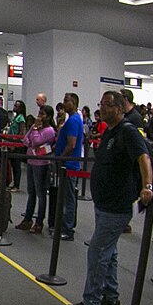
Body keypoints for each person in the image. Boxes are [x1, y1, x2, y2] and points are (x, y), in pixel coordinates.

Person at [64, 91, 153, 305]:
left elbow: (144, 158)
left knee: (97, 250)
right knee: (109, 252)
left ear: (120, 108)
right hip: (104, 204)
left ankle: (92, 301)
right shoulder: (110, 131)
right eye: (101, 104)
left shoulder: (128, 132)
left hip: (117, 206)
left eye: (107, 105)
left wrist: (148, 186)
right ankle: (111, 297)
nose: (102, 109)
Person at [53, 92, 85, 241]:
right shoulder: (72, 119)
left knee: (68, 197)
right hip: (68, 163)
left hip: (69, 164)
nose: (64, 103)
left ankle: (68, 228)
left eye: (66, 101)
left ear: (74, 103)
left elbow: (71, 144)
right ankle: (66, 225)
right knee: (66, 196)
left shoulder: (73, 120)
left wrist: (61, 158)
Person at [19, 106, 55, 232]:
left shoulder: (49, 131)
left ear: (49, 117)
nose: (39, 116)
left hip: (41, 164)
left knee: (40, 193)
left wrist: (34, 130)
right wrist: (33, 133)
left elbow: (36, 141)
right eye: (39, 113)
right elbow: (26, 139)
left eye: (43, 114)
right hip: (31, 161)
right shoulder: (34, 127)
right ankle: (27, 219)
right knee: (31, 192)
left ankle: (39, 222)